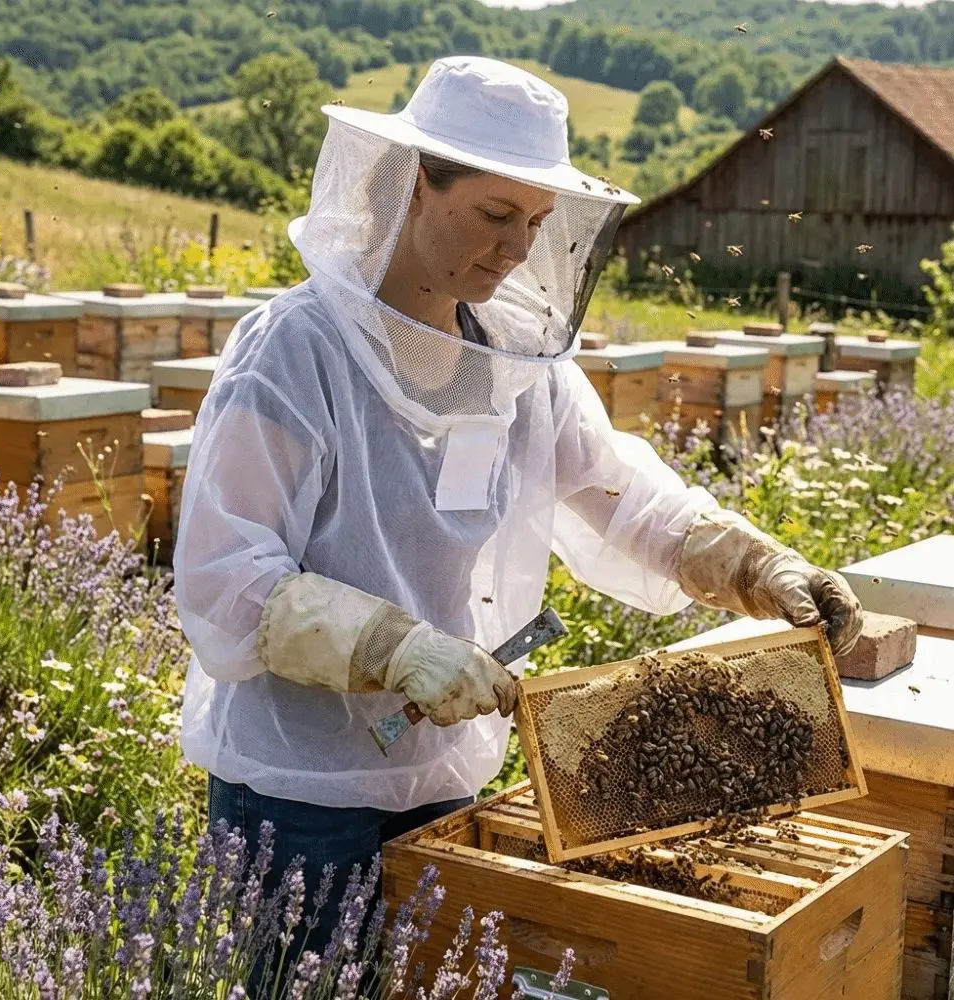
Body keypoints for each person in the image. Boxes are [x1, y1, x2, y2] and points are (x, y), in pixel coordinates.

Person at [174, 55, 862, 990]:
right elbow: (226, 574)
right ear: (416, 182)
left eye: (538, 225)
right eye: (496, 215)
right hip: (301, 792)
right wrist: (396, 647)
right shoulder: (298, 351)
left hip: (447, 776)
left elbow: (625, 497)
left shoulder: (514, 363)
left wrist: (756, 565)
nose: (516, 250)